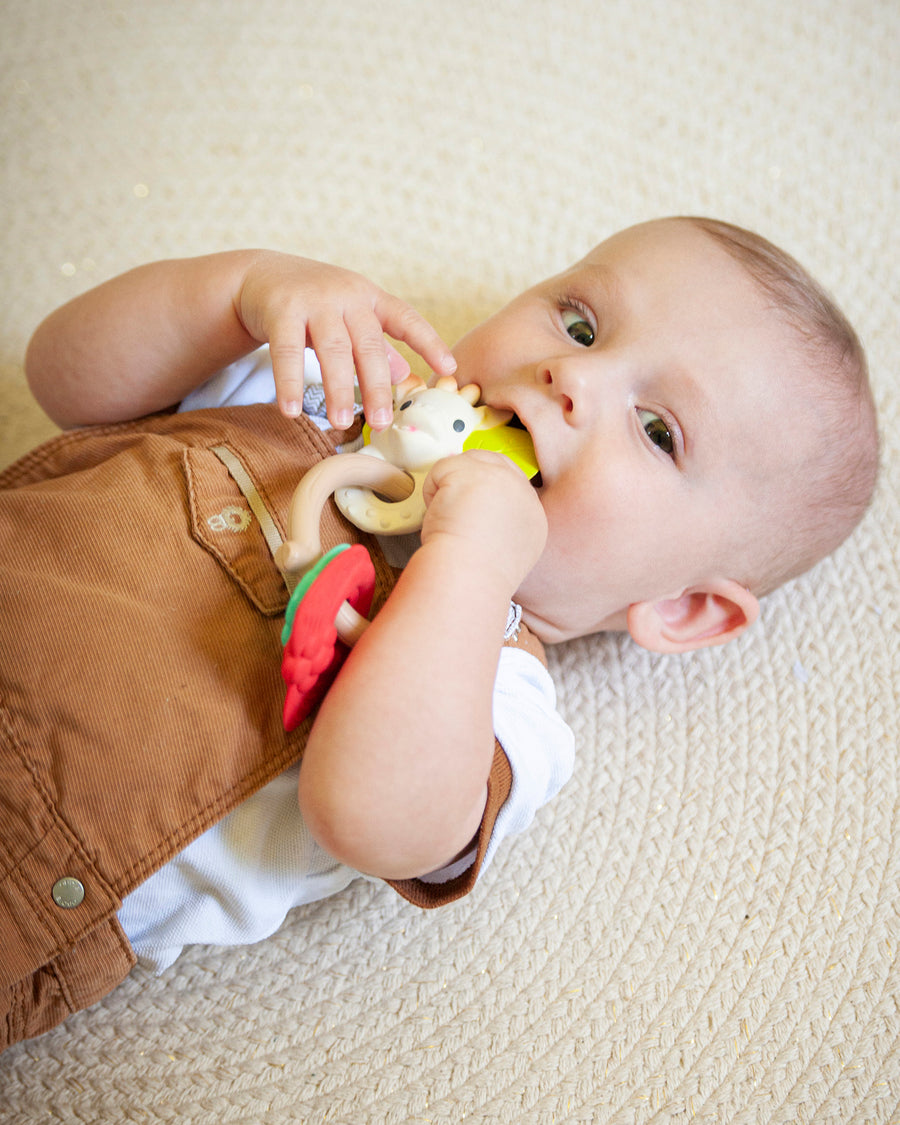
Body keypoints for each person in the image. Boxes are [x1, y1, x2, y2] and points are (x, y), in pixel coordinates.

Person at [1, 216, 878, 1049]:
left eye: (657, 431)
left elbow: (367, 814)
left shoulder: (507, 703)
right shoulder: (328, 386)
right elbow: (61, 376)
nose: (574, 379)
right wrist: (242, 290)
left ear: (682, 607)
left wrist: (468, 563)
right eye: (579, 324)